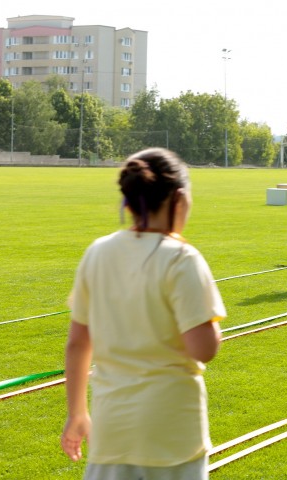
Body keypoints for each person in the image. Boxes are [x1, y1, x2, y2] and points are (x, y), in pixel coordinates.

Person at [61, 148, 226, 479]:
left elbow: (78, 343)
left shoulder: (98, 253)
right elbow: (204, 348)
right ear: (179, 198)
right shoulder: (182, 258)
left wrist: (77, 412)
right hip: (172, 431)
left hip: (111, 431)